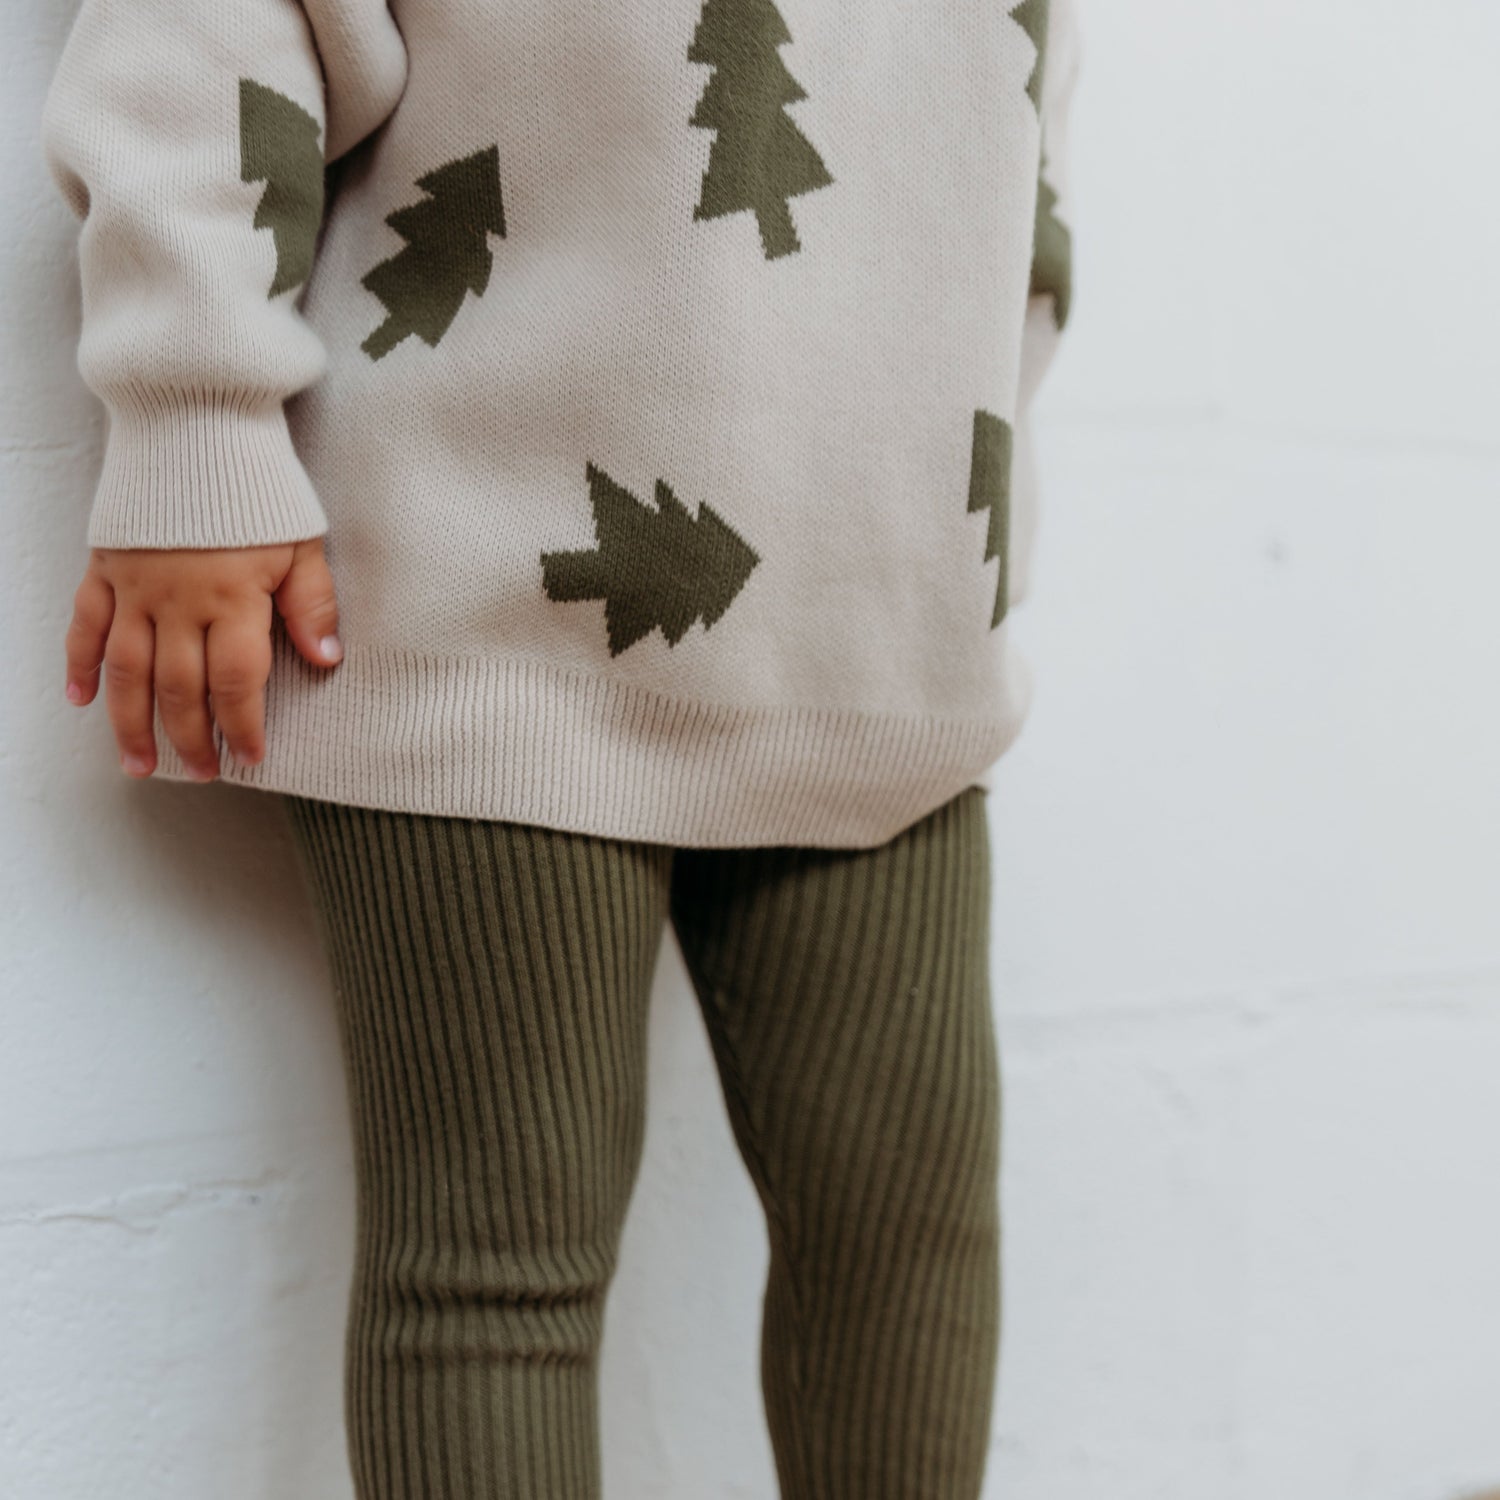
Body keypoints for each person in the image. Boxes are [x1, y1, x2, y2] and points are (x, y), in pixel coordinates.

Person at [40, 0, 1077, 1494]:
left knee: (910, 1233)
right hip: (487, 600)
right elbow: (204, 35)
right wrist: (193, 422)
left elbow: (1020, 173)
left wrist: (974, 533)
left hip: (885, 640)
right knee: (495, 1274)